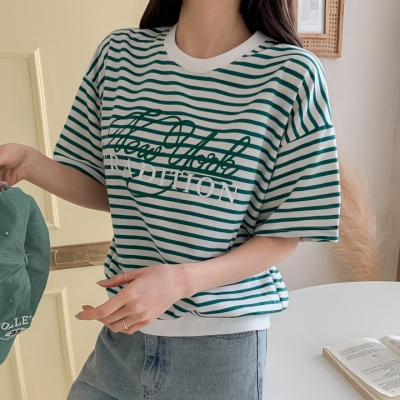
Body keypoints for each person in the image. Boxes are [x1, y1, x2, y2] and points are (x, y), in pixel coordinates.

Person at [0, 0, 341, 398]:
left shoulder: (291, 74)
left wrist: (181, 281)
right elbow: (109, 187)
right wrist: (29, 162)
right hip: (123, 339)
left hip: (220, 348)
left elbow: (285, 232)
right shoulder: (119, 56)